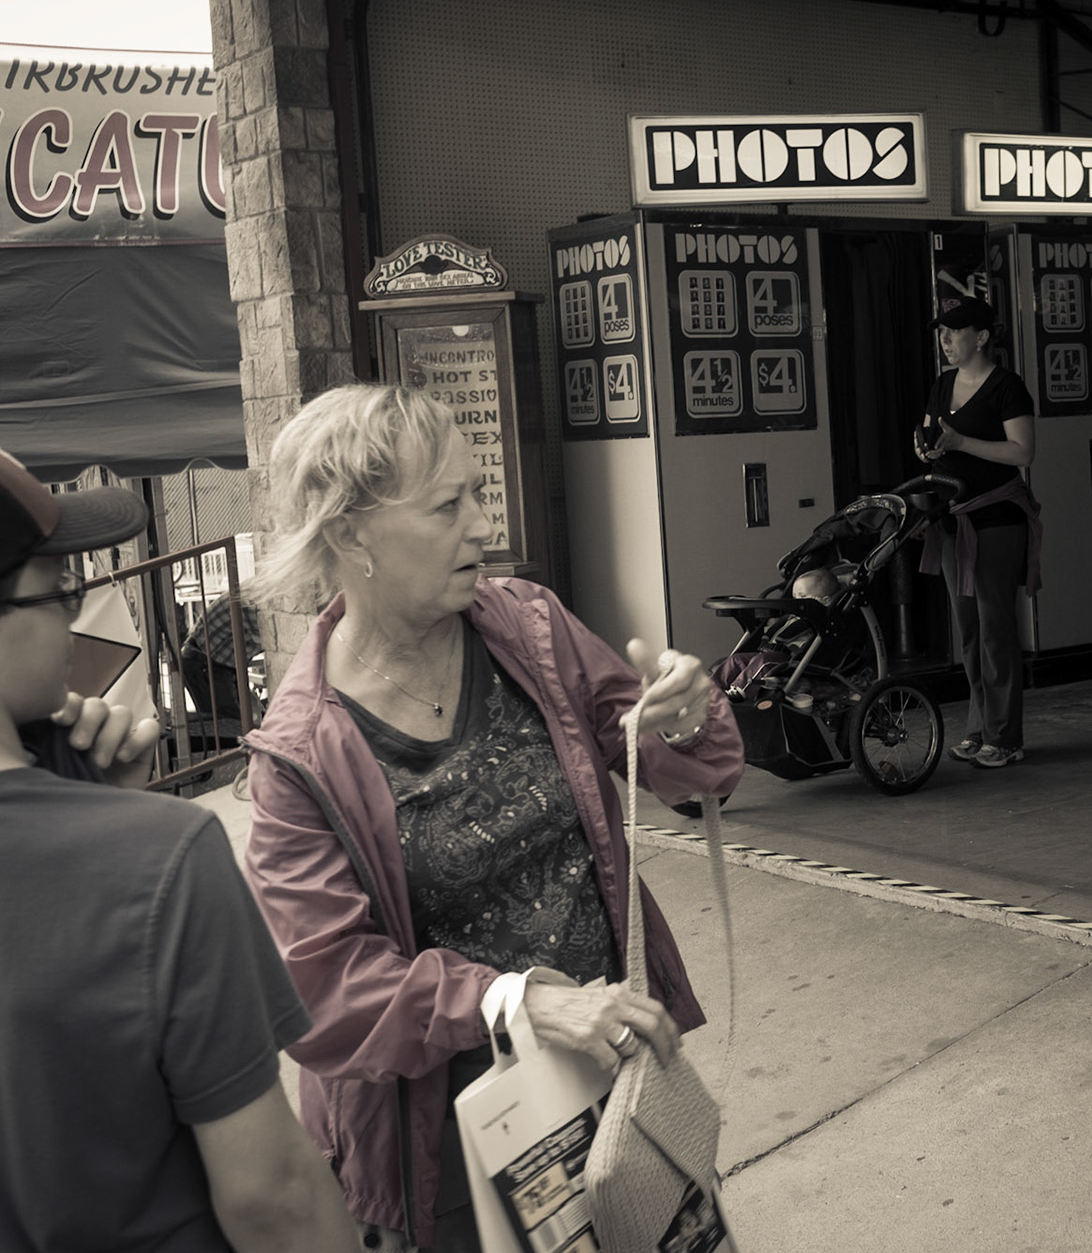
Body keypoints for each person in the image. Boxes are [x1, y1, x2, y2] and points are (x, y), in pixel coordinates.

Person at [239, 385, 745, 1251]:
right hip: (448, 1148)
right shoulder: (299, 754)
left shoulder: (529, 626)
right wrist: (516, 1002)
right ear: (351, 535)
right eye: (447, 506)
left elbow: (684, 773)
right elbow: (324, 991)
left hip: (617, 1081)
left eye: (477, 493)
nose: (483, 525)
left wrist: (687, 718)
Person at [0, 446, 358, 1252]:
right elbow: (274, 1197)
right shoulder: (166, 859)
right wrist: (119, 832)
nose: (72, 620)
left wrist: (92, 808)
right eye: (60, 589)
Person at [914, 296, 1041, 769]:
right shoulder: (942, 384)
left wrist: (962, 442)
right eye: (942, 334)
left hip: (996, 519)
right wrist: (927, 450)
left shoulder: (1007, 386)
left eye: (955, 333)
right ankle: (978, 728)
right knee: (968, 630)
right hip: (953, 521)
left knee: (995, 630)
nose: (946, 341)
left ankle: (1005, 737)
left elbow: (1023, 452)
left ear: (982, 337)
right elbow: (933, 435)